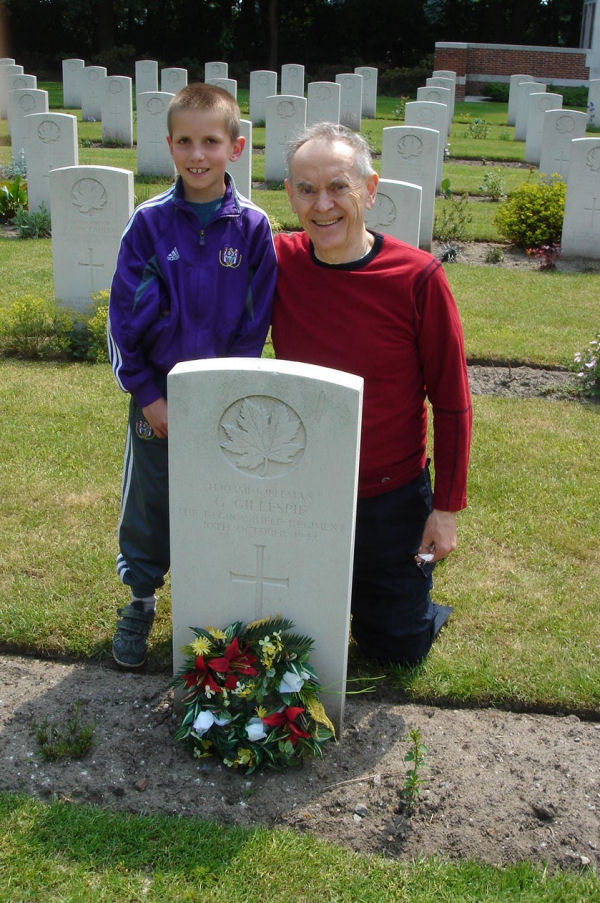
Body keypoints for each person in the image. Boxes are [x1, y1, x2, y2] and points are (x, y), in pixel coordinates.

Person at [272, 122, 472, 665]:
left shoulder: (417, 277)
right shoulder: (277, 262)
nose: (323, 205)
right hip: (302, 489)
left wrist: (446, 510)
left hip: (391, 494)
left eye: (339, 186)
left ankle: (405, 602)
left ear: (370, 188)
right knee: (288, 635)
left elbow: (452, 402)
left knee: (394, 648)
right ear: (290, 194)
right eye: (307, 189)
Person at [107, 83, 277, 668]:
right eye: (184, 141)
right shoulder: (149, 224)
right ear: (169, 145)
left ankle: (217, 601)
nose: (197, 155)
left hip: (224, 401)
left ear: (236, 147)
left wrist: (230, 394)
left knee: (224, 501)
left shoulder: (252, 227)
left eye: (210, 141)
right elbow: (124, 317)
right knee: (150, 500)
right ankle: (141, 597)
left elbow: (255, 321)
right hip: (158, 399)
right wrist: (148, 395)